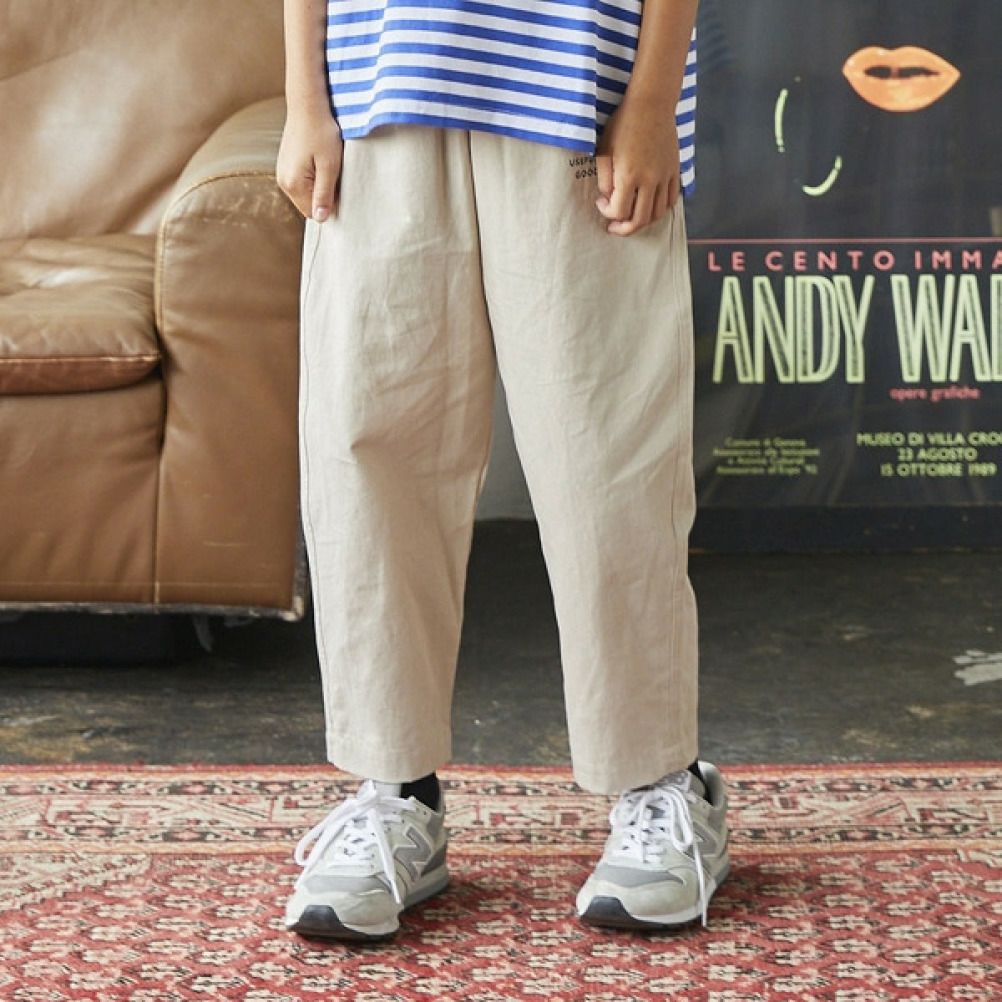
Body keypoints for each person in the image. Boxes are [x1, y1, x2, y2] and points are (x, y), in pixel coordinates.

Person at [276, 0, 729, 942]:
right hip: (379, 91)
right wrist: (303, 99)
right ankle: (394, 791)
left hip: (578, 90)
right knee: (371, 448)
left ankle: (661, 778)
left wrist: (650, 102)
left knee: (605, 454)